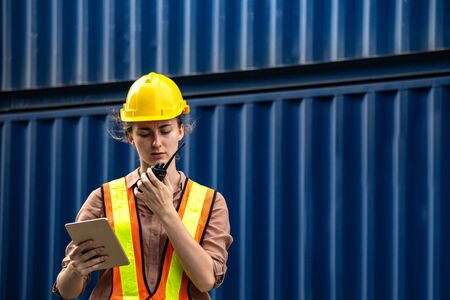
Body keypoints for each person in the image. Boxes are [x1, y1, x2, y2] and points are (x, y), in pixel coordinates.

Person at [52, 72, 233, 299]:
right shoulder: (103, 198)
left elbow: (206, 280)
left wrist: (166, 211)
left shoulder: (211, 202)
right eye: (145, 132)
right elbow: (67, 292)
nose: (156, 142)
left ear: (180, 130)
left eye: (165, 130)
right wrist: (75, 269)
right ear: (130, 136)